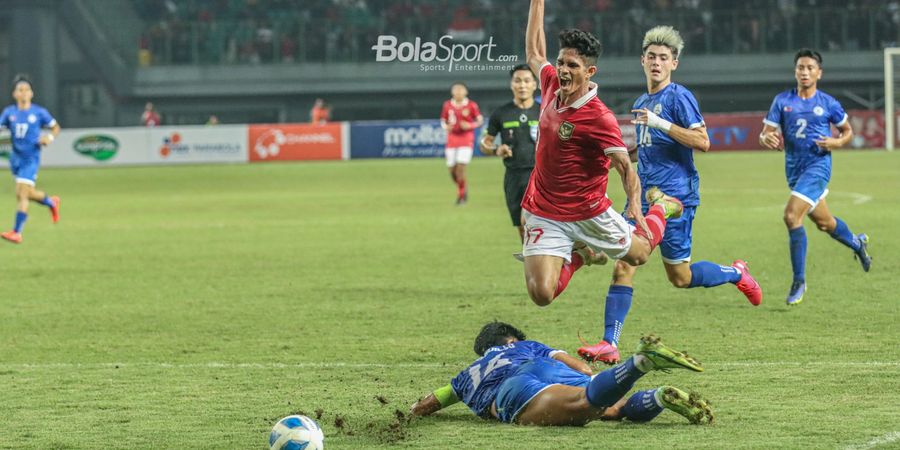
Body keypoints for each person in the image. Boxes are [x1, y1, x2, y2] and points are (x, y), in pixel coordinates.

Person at [578, 27, 763, 365]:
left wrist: (660, 123)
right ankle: (610, 342)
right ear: (642, 60)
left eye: (664, 58)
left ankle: (737, 273)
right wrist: (613, 156)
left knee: (681, 277)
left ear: (674, 63)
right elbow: (645, 149)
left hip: (675, 200)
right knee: (625, 264)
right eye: (651, 56)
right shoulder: (641, 102)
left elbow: (703, 141)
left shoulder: (679, 97)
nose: (656, 62)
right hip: (643, 198)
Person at [520, 0, 683, 310]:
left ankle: (662, 207)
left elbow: (624, 166)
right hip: (545, 209)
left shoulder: (599, 117)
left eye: (572, 66)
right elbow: (534, 53)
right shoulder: (551, 83)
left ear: (590, 71)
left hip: (589, 211)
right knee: (541, 294)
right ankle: (583, 254)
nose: (563, 70)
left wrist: (637, 205)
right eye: (561, 63)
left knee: (640, 255)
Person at [410, 321, 713, 426]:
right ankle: (659, 398)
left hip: (513, 390)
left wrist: (413, 411)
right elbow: (581, 367)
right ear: (510, 340)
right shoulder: (527, 345)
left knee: (586, 405)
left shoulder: (467, 375)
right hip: (548, 368)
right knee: (613, 409)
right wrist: (588, 377)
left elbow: (428, 404)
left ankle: (640, 364)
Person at [759, 48, 871, 305]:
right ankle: (857, 244)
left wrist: (836, 142)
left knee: (791, 216)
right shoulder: (782, 101)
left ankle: (799, 280)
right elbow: (764, 134)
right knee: (825, 223)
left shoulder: (828, 103)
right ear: (795, 71)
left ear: (819, 73)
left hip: (818, 168)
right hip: (794, 171)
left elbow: (848, 132)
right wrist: (766, 138)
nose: (805, 72)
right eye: (801, 67)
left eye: (810, 68)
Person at [480, 64, 540, 242]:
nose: (522, 85)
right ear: (511, 84)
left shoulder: (544, 112)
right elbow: (485, 143)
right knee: (522, 228)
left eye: (527, 81)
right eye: (518, 81)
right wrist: (496, 149)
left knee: (539, 223)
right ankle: (531, 266)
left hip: (540, 176)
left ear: (534, 85)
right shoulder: (501, 114)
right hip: (514, 177)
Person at [0, 75, 61, 244]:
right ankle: (51, 202)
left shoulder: (39, 112)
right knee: (25, 193)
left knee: (22, 195)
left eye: (26, 90)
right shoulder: (9, 113)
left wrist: (48, 138)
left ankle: (17, 232)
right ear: (15, 94)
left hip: (30, 158)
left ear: (31, 93)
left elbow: (56, 127)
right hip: (16, 159)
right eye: (20, 90)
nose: (24, 93)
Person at [441, 82, 483, 205]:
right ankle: (462, 186)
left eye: (461, 90)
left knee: (460, 168)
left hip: (466, 139)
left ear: (466, 92)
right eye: (456, 90)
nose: (458, 92)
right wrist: (446, 126)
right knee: (452, 170)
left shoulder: (471, 105)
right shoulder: (447, 105)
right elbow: (443, 120)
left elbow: (479, 120)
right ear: (452, 92)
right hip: (452, 139)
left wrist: (470, 125)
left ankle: (461, 196)